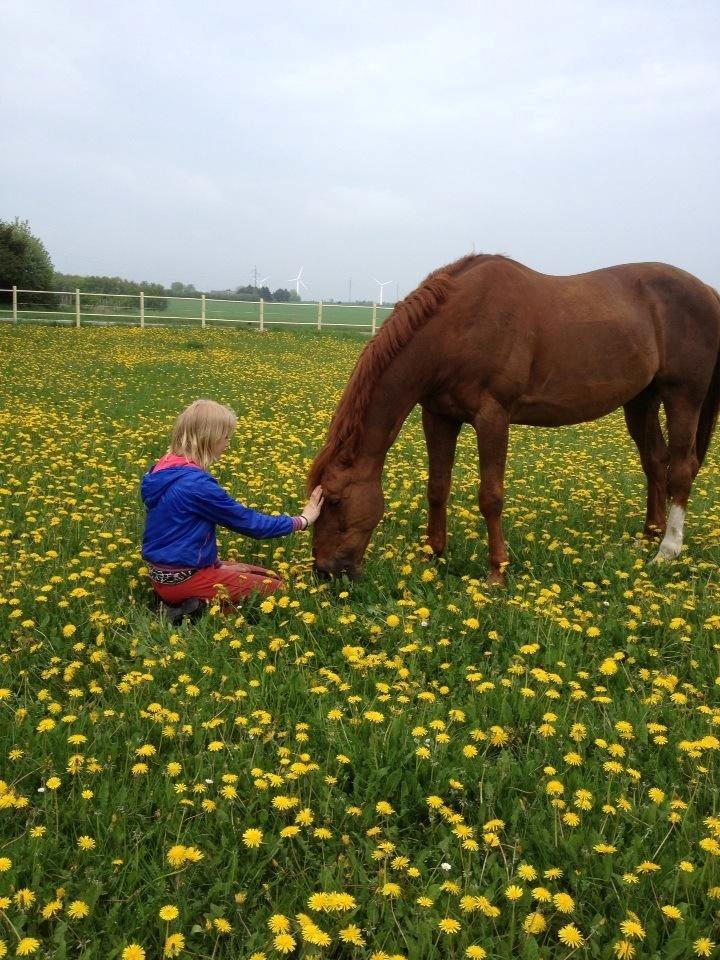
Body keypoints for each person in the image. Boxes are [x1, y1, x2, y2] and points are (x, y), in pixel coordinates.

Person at [140, 398, 323, 622]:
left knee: (266, 575)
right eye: (225, 437)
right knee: (278, 589)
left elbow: (180, 533)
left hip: (166, 576)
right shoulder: (195, 485)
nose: (228, 444)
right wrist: (303, 520)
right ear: (208, 437)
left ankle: (187, 601)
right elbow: (250, 523)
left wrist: (218, 565)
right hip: (184, 579)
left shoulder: (163, 470)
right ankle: (193, 612)